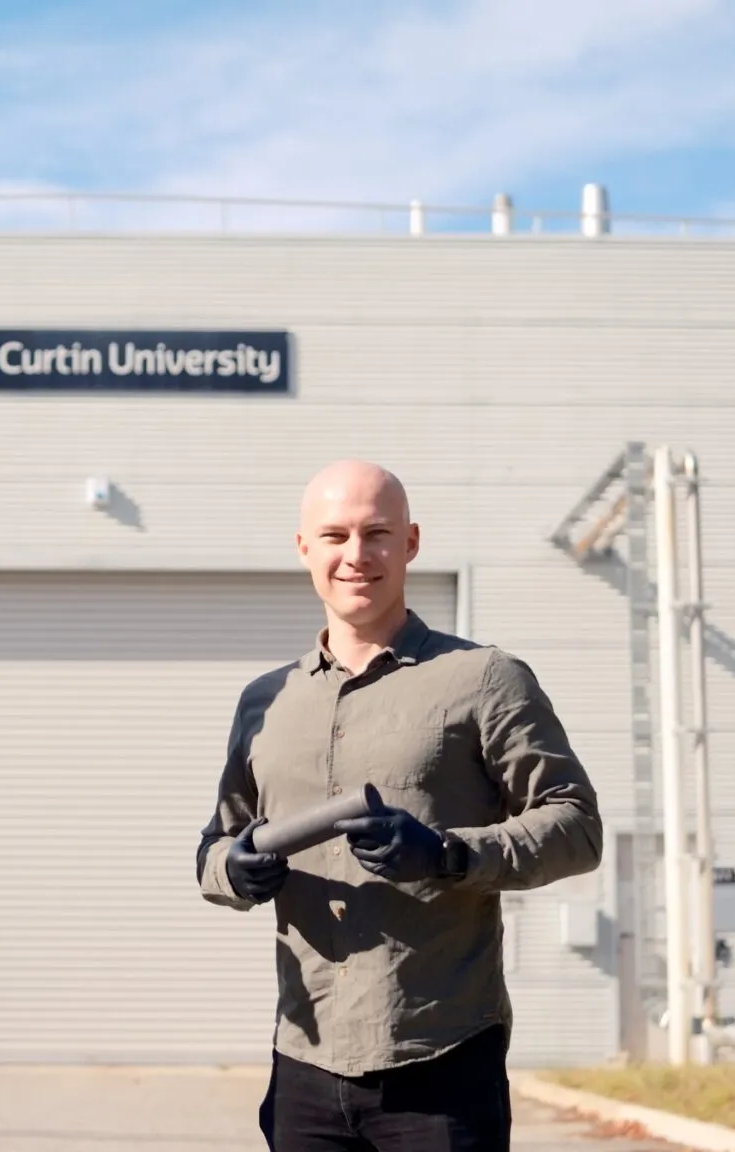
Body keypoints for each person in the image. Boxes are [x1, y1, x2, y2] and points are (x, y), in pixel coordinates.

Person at [197, 460, 603, 1151]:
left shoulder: (484, 679)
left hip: (440, 1060)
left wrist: (447, 854)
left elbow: (576, 824)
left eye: (376, 533)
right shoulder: (265, 701)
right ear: (304, 549)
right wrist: (234, 873)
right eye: (334, 535)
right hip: (304, 1060)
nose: (356, 555)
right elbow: (217, 846)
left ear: (411, 543)